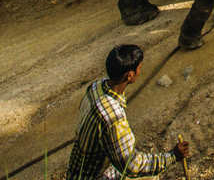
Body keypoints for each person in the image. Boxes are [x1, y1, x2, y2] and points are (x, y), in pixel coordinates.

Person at [66, 44, 188, 180]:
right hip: (94, 176)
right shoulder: (113, 116)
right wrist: (173, 156)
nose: (140, 72)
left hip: (76, 172)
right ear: (130, 75)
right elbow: (132, 166)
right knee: (149, 177)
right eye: (139, 68)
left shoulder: (96, 87)